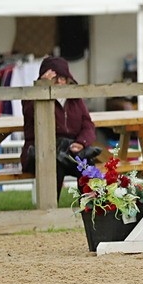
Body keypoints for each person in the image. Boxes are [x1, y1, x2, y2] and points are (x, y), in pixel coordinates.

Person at [20, 56, 103, 197]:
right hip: (40, 151)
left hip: (71, 150)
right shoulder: (32, 98)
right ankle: (50, 214)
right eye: (54, 78)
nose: (59, 82)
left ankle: (89, 209)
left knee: (87, 165)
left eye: (62, 78)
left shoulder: (75, 99)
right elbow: (29, 115)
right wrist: (41, 87)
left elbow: (88, 125)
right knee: (54, 164)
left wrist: (80, 143)